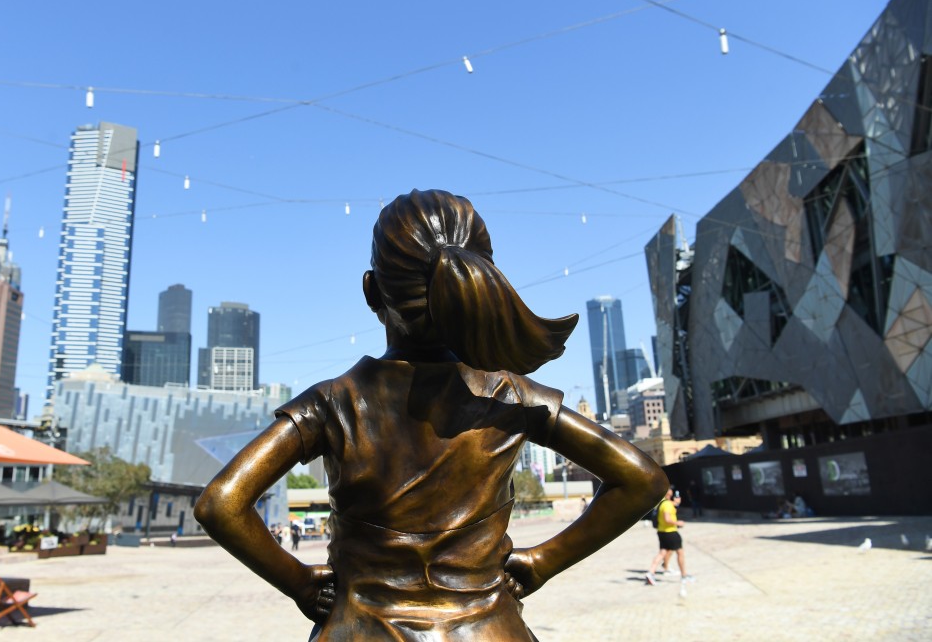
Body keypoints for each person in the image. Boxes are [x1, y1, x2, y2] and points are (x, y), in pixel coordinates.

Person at [195, 189, 667, 641]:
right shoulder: (513, 398)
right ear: (483, 285)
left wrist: (298, 582)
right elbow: (643, 479)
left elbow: (221, 503)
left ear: (371, 290)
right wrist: (543, 560)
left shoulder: (332, 402)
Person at [646, 487, 693, 595]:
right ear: (670, 495)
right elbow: (667, 519)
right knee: (680, 552)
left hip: (662, 531)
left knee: (663, 552)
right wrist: (678, 523)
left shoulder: (663, 503)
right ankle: (684, 575)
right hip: (670, 532)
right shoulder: (667, 505)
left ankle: (651, 572)